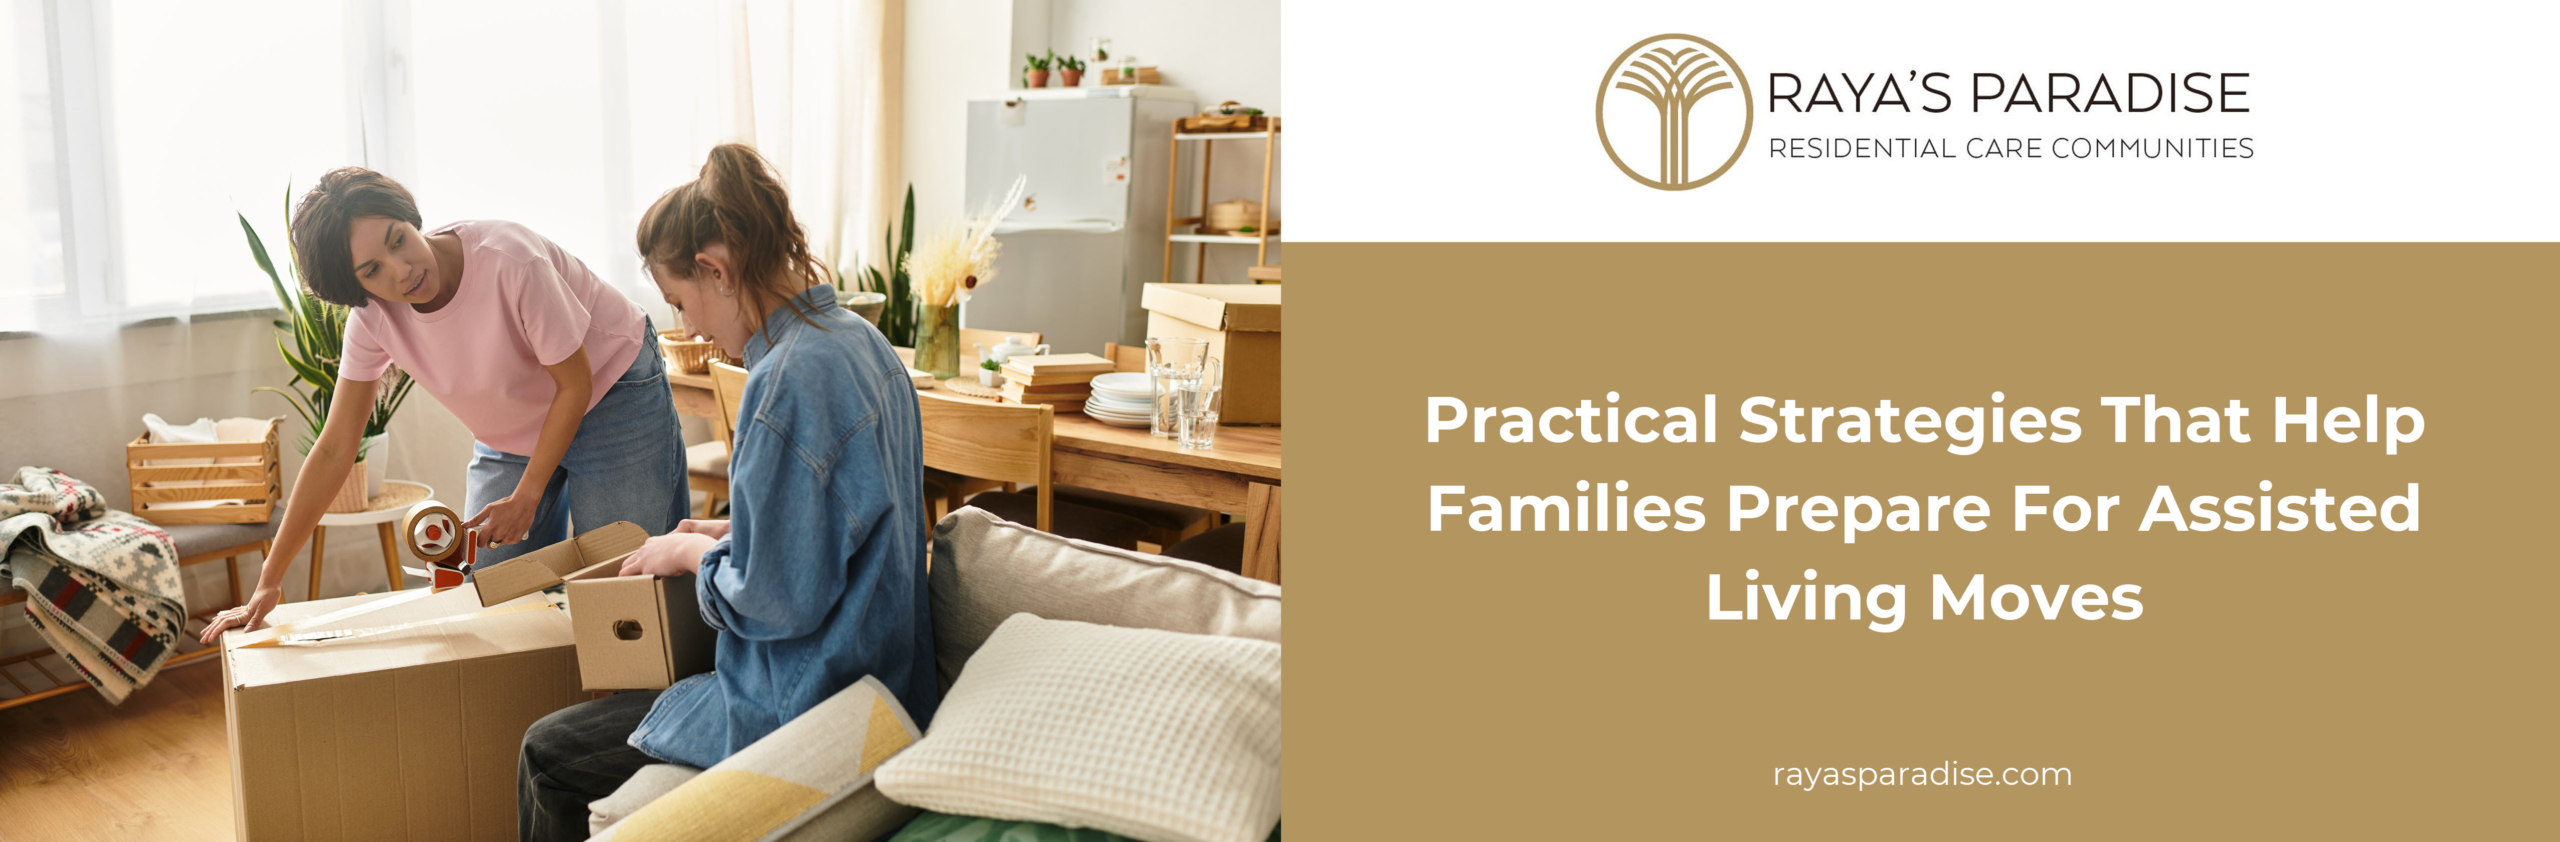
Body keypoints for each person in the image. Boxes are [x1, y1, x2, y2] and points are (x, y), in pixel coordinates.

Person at [516, 144, 939, 841]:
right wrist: (735, 534)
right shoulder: (861, 342)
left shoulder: (785, 383)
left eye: (682, 302)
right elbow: (849, 527)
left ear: (717, 268)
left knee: (548, 752)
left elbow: (776, 603)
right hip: (886, 677)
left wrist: (688, 554)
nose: (689, 330)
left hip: (812, 698)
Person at [198, 169, 688, 643]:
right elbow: (334, 448)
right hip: (512, 429)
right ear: (356, 288)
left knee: (624, 583)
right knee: (490, 595)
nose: (402, 269)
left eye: (397, 240)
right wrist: (270, 578)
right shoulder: (371, 320)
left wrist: (527, 496)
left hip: (609, 389)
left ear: (409, 216)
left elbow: (575, 384)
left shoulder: (510, 260)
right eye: (372, 270)